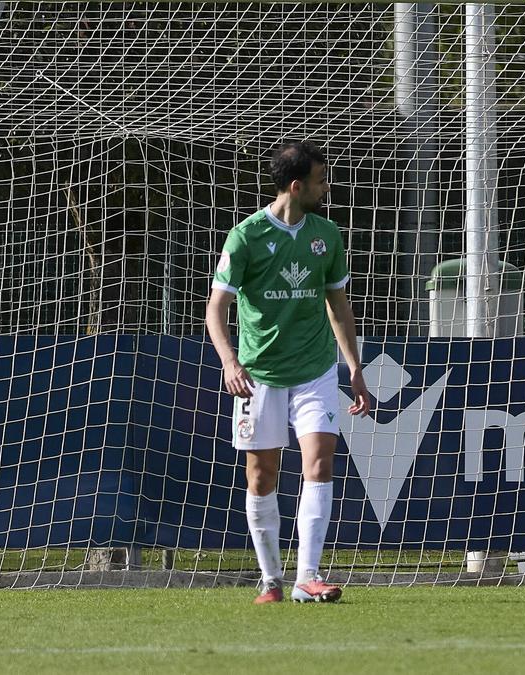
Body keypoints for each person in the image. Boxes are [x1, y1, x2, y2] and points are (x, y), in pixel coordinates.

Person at [205, 141, 371, 604]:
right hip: (258, 375)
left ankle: (307, 577)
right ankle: (271, 580)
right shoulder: (246, 236)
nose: (326, 187)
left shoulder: (326, 235)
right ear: (297, 187)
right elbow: (216, 309)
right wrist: (230, 361)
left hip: (315, 370)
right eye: (320, 180)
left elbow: (338, 305)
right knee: (262, 477)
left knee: (320, 463)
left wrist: (354, 368)